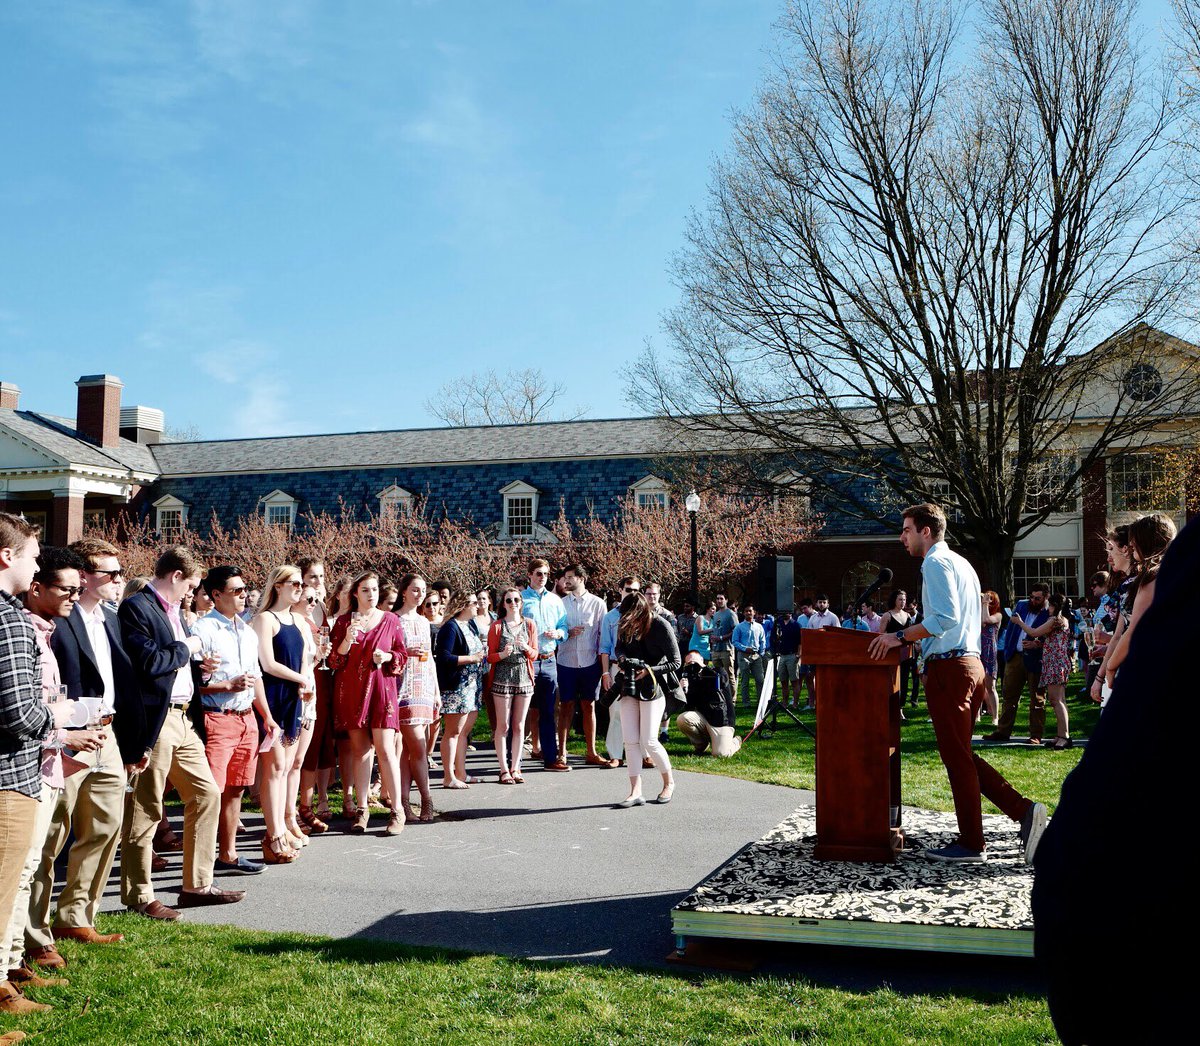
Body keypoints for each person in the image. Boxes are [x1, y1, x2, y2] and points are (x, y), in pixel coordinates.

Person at [1032, 515, 1194, 1046]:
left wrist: (1105, 671)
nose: (1111, 553)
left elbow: (1140, 634)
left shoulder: (1155, 582)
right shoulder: (1142, 583)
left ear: (1136, 546)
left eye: (1117, 545)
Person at [869, 503, 1047, 864]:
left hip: (951, 668)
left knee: (956, 756)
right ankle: (1021, 815)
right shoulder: (962, 563)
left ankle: (978, 840)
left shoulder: (934, 562)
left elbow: (945, 618)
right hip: (970, 665)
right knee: (960, 755)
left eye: (906, 529)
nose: (901, 536)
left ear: (926, 531)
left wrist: (900, 637)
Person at [118, 546, 246, 918]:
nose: (194, 593)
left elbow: (175, 662)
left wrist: (200, 667)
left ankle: (197, 886)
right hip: (155, 719)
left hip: (184, 717)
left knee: (207, 794)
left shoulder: (176, 612)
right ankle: (139, 896)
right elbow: (150, 663)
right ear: (175, 576)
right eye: (190, 585)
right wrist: (185, 648)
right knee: (146, 809)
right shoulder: (137, 608)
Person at [28, 539, 135, 962]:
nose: (118, 580)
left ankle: (75, 916)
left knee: (106, 827)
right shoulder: (57, 620)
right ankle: (34, 933)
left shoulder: (109, 618)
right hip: (66, 736)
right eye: (110, 573)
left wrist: (133, 741)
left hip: (107, 734)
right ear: (85, 576)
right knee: (51, 835)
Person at [6, 548, 109, 987]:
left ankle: (13, 963)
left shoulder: (45, 631)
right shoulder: (15, 625)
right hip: (24, 764)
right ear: (37, 587)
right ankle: (10, 966)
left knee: (26, 869)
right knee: (22, 870)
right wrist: (67, 731)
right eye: (67, 588)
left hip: (43, 763)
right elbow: (20, 712)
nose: (76, 594)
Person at [0, 520, 89, 1019]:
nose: (38, 565)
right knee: (6, 887)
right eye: (33, 557)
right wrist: (59, 720)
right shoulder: (10, 621)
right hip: (11, 775)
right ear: (6, 558)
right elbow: (22, 714)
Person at [191, 566, 274, 872]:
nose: (243, 595)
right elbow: (190, 684)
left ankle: (228, 855)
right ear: (216, 595)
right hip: (217, 717)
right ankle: (199, 864)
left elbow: (256, 679)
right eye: (236, 590)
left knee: (236, 788)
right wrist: (225, 686)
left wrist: (267, 716)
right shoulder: (202, 631)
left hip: (246, 718)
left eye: (244, 589)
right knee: (210, 791)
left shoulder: (248, 632)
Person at [328, 571, 405, 835]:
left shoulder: (391, 620)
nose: (371, 595)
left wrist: (388, 656)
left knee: (385, 749)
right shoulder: (342, 622)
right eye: (365, 590)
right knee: (360, 751)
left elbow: (402, 656)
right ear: (355, 593)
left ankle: (397, 810)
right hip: (352, 690)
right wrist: (348, 639)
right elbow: (334, 662)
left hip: (382, 691)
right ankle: (362, 809)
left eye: (374, 589)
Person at [251, 566, 322, 856]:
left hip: (296, 698)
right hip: (274, 697)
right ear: (278, 586)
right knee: (275, 767)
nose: (299, 587)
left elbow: (307, 658)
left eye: (301, 583)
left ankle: (282, 825)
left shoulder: (300, 620)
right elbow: (267, 664)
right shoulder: (264, 619)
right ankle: (274, 834)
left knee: (286, 769)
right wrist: (301, 679)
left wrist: (307, 680)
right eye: (294, 583)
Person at [1096, 513, 1176, 701]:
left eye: (1133, 542)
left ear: (1145, 542)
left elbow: (1133, 631)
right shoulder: (1177, 573)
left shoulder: (1149, 580)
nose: (1130, 548)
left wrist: (1109, 667)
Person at [611, 592, 678, 808]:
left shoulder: (661, 626)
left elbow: (675, 662)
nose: (628, 624)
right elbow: (619, 647)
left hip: (653, 686)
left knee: (649, 740)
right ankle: (635, 791)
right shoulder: (624, 624)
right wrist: (622, 659)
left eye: (632, 619)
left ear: (641, 612)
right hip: (629, 685)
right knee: (630, 740)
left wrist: (649, 670)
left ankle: (669, 783)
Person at [555, 564, 615, 767]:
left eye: (570, 577)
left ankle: (591, 751)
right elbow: (553, 631)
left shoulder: (598, 604)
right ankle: (561, 753)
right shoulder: (560, 603)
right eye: (565, 577)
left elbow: (603, 636)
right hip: (566, 661)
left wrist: (603, 665)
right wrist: (566, 633)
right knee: (566, 706)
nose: (566, 581)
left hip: (590, 663)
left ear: (581, 578)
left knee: (589, 706)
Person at [390, 573, 439, 822]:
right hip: (403, 687)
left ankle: (408, 803)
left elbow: (429, 657)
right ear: (404, 592)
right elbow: (388, 652)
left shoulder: (423, 621)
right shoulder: (394, 619)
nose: (419, 595)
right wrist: (405, 652)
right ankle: (423, 799)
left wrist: (436, 692)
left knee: (411, 750)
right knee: (416, 746)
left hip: (424, 687)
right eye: (415, 590)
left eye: (423, 590)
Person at [985, 582, 1050, 744]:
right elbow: (1011, 629)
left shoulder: (1050, 612)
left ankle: (1036, 734)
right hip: (1015, 656)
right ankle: (1002, 731)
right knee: (1009, 696)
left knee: (1037, 698)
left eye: (1038, 598)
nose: (1033, 601)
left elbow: (1051, 635)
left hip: (1036, 658)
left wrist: (1038, 644)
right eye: (1032, 597)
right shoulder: (1021, 605)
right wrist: (1008, 649)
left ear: (1045, 598)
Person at [521, 559, 570, 772]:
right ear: (530, 575)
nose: (543, 578)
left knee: (548, 711)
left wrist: (559, 634)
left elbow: (564, 627)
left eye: (546, 574)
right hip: (526, 661)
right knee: (520, 712)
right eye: (539, 573)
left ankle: (550, 758)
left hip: (549, 660)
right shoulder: (520, 599)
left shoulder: (555, 601)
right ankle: (512, 761)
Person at [297, 559, 334, 832]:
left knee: (321, 740)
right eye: (312, 576)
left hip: (323, 676)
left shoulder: (321, 606)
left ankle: (309, 804)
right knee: (301, 747)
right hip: (304, 679)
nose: (318, 580)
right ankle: (296, 808)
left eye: (321, 575)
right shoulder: (297, 610)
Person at [1009, 593, 1074, 749]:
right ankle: (1060, 734)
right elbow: (1050, 640)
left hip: (1055, 663)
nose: (1048, 608)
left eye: (1051, 605)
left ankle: (1064, 736)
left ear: (1056, 606)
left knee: (1056, 701)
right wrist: (1036, 645)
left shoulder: (1054, 620)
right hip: (1056, 662)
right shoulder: (1061, 621)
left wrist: (1019, 622)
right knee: (1059, 700)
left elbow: (1033, 632)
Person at [487, 587, 536, 784]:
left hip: (524, 676)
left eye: (516, 600)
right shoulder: (497, 626)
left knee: (519, 725)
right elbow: (489, 656)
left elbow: (535, 654)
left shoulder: (530, 624)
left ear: (521, 603)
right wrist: (503, 654)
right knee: (503, 725)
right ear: (503, 604)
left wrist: (525, 648)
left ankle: (516, 767)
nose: (513, 603)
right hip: (502, 676)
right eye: (509, 600)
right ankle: (503, 769)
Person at [675, 651, 741, 758]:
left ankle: (735, 742)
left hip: (722, 720)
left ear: (702, 660)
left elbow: (721, 683)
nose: (692, 665)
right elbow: (689, 707)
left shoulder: (718, 672)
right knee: (682, 719)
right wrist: (683, 690)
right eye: (689, 663)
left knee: (720, 754)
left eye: (695, 661)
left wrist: (703, 669)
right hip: (704, 718)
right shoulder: (690, 679)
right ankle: (701, 744)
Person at [879, 590, 918, 712]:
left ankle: (900, 707)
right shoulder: (887, 616)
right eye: (900, 599)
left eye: (904, 600)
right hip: (891, 653)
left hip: (905, 653)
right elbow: (881, 635)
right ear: (894, 600)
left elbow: (911, 634)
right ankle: (889, 706)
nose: (902, 602)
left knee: (904, 680)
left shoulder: (907, 616)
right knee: (891, 680)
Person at [732, 603, 767, 714]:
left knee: (760, 679)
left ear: (754, 612)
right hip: (744, 655)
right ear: (743, 613)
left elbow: (763, 641)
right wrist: (744, 648)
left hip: (756, 656)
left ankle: (760, 702)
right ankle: (746, 703)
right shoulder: (739, 627)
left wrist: (761, 653)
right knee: (745, 680)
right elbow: (734, 641)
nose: (748, 613)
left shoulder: (759, 626)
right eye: (746, 611)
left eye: (750, 611)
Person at [707, 594, 738, 720]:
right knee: (717, 676)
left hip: (727, 649)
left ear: (726, 600)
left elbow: (736, 630)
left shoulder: (731, 614)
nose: (719, 601)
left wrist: (721, 638)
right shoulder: (716, 615)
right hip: (716, 650)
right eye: (717, 599)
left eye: (721, 599)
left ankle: (733, 701)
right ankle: (721, 699)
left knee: (729, 675)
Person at [978, 591, 1003, 722]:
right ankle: (977, 715)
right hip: (978, 650)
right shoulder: (976, 614)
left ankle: (995, 717)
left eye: (989, 599)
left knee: (991, 686)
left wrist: (985, 603)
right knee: (977, 686)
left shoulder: (998, 615)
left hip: (990, 653)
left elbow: (986, 620)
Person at [776, 609, 804, 707]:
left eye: (787, 611)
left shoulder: (796, 625)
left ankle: (795, 703)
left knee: (794, 681)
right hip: (782, 656)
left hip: (792, 655)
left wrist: (798, 655)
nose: (785, 613)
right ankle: (785, 703)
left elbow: (800, 642)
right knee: (783, 681)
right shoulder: (778, 623)